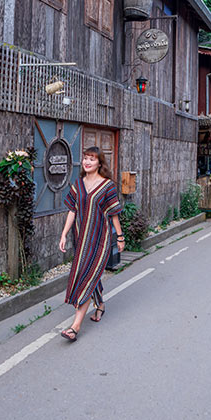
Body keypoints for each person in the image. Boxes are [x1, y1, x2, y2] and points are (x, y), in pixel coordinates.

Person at [58, 146, 124, 342]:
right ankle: (100, 305)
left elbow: (113, 214)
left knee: (87, 275)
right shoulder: (78, 184)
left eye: (92, 159)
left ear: (99, 163)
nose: (87, 162)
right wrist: (64, 234)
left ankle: (75, 326)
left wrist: (120, 237)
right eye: (85, 158)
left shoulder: (107, 186)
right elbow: (72, 210)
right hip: (81, 238)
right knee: (88, 273)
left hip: (99, 239)